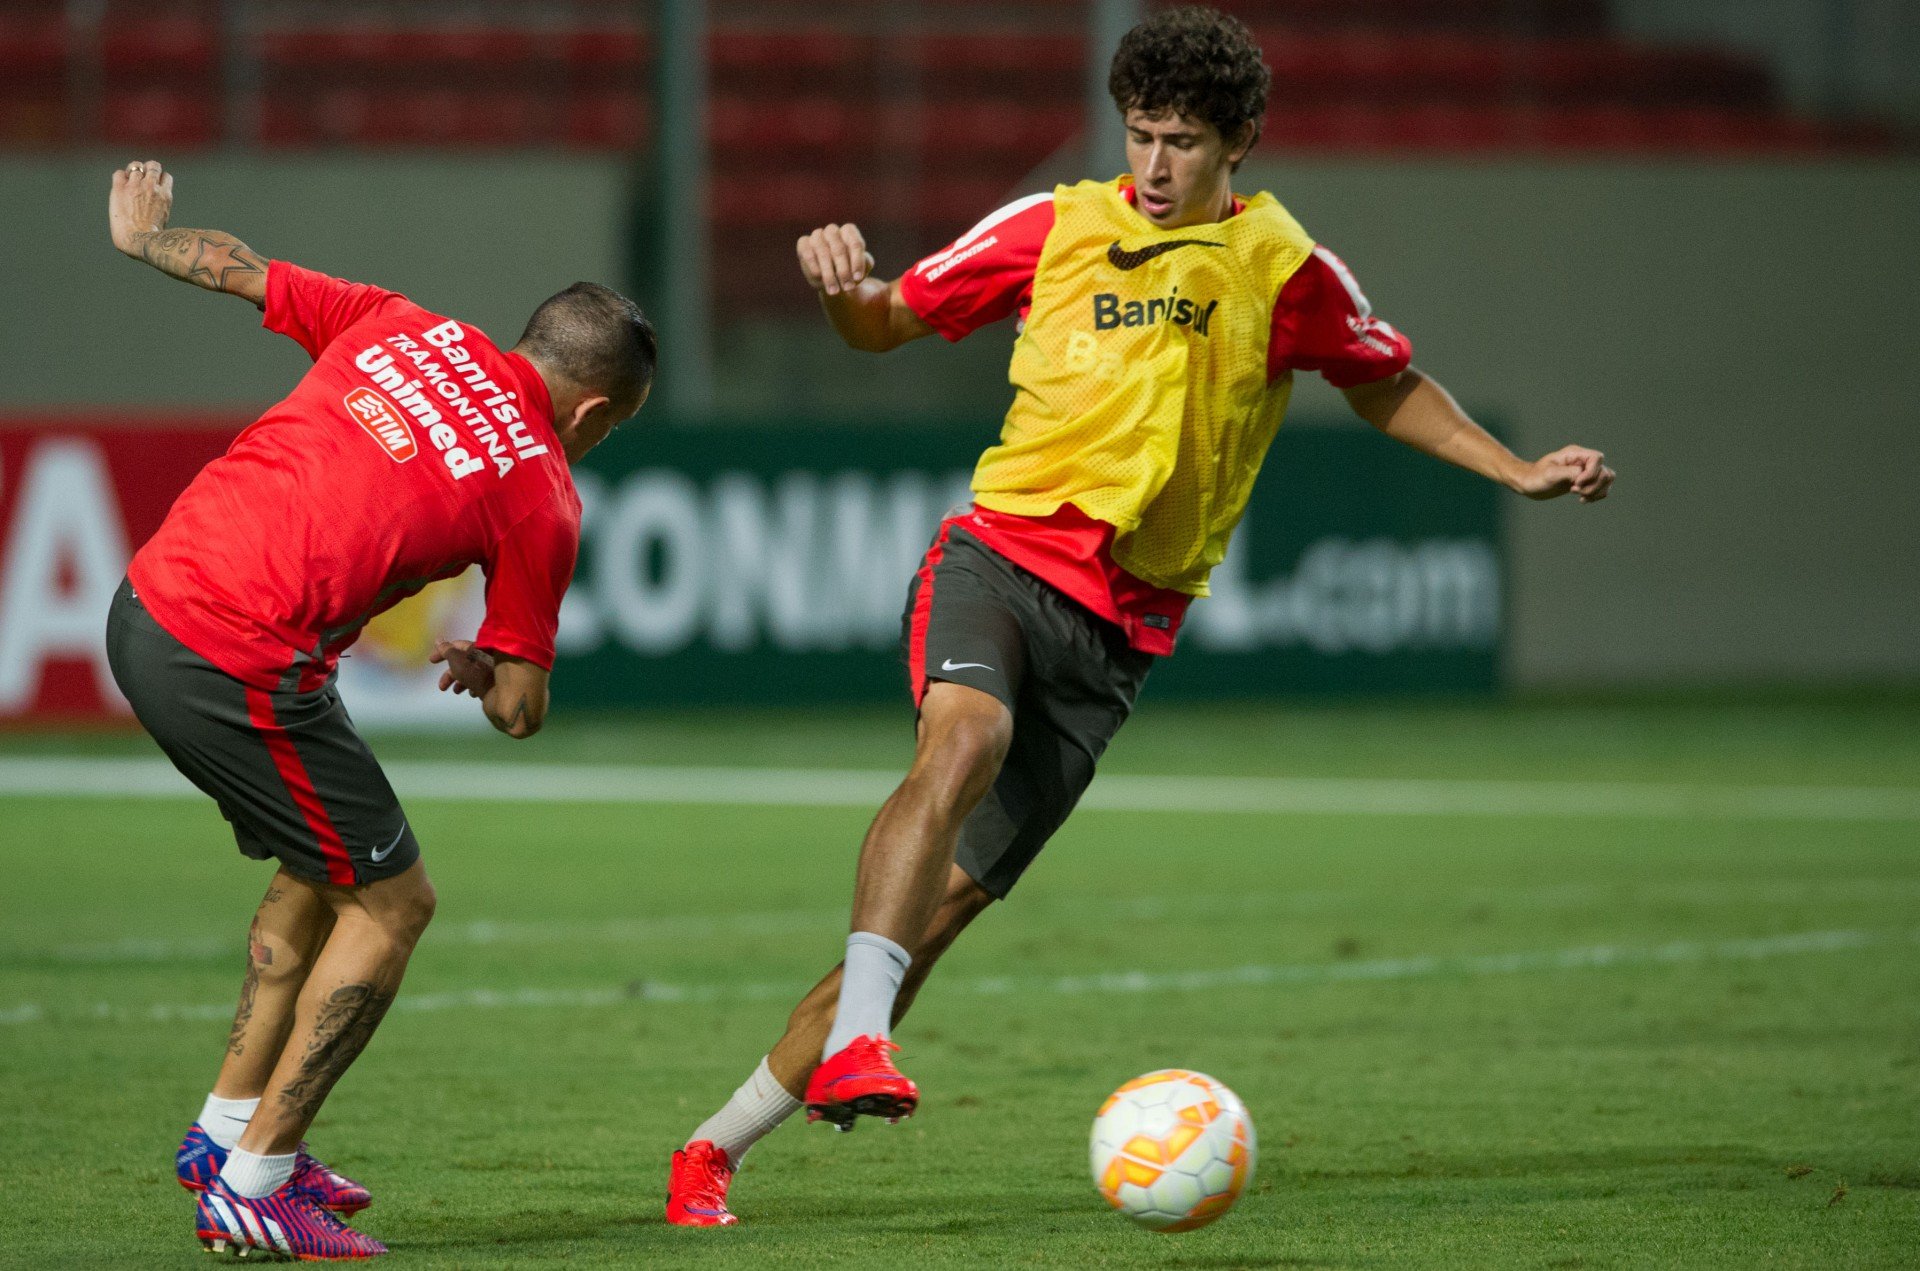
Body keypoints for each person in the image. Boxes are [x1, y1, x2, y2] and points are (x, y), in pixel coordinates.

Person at [664, 4, 1616, 1227]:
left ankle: (714, 1144)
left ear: (1241, 143)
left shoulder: (1285, 267)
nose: (1153, 166)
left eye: (1180, 142)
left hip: (1117, 640)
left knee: (932, 919)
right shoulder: (1058, 224)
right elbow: (888, 320)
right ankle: (858, 1039)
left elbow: (1384, 382)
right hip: (1002, 555)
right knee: (961, 739)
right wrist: (846, 292)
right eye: (1139, 134)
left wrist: (1516, 469)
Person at [101, 159, 656, 1260]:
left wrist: (142, 242)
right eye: (610, 427)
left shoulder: (404, 324)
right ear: (594, 407)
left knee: (326, 864)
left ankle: (224, 1136)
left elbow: (241, 270)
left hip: (149, 598)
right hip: (236, 657)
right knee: (397, 902)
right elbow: (521, 712)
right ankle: (256, 1180)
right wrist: (490, 664)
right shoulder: (542, 488)